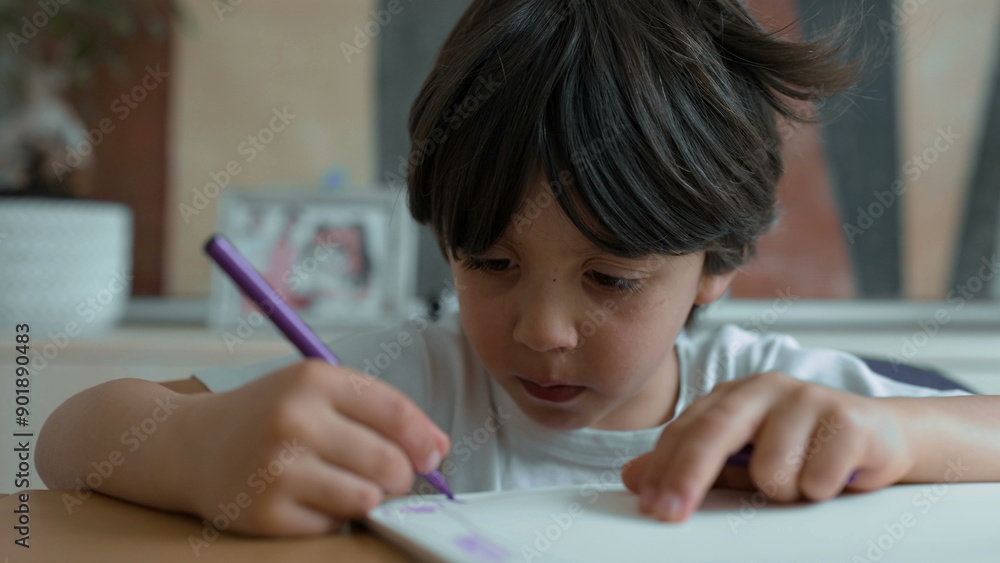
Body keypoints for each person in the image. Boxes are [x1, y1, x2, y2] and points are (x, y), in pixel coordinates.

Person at [37, 0, 997, 538]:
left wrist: (896, 431)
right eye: (490, 260)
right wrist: (202, 446)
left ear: (715, 265)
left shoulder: (762, 393)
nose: (541, 328)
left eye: (611, 277)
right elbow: (68, 435)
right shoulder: (414, 382)